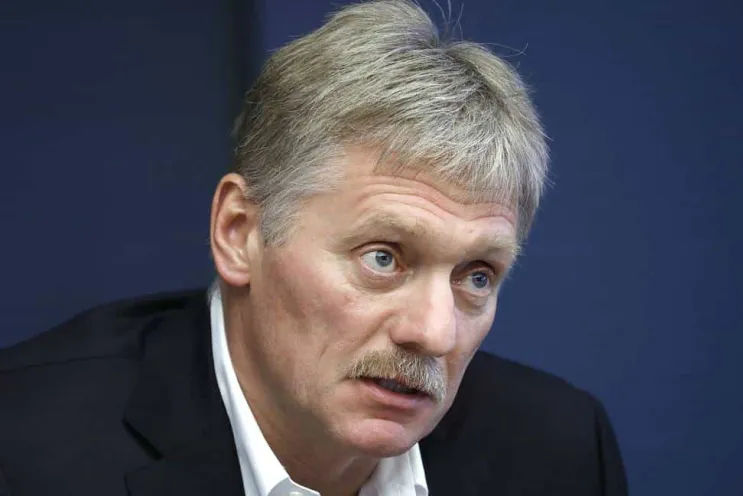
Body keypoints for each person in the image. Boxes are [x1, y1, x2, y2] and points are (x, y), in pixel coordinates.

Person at [0, 1, 627, 494]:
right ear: (239, 233)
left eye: (477, 276)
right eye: (383, 258)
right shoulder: (24, 449)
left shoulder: (559, 452)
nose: (435, 334)